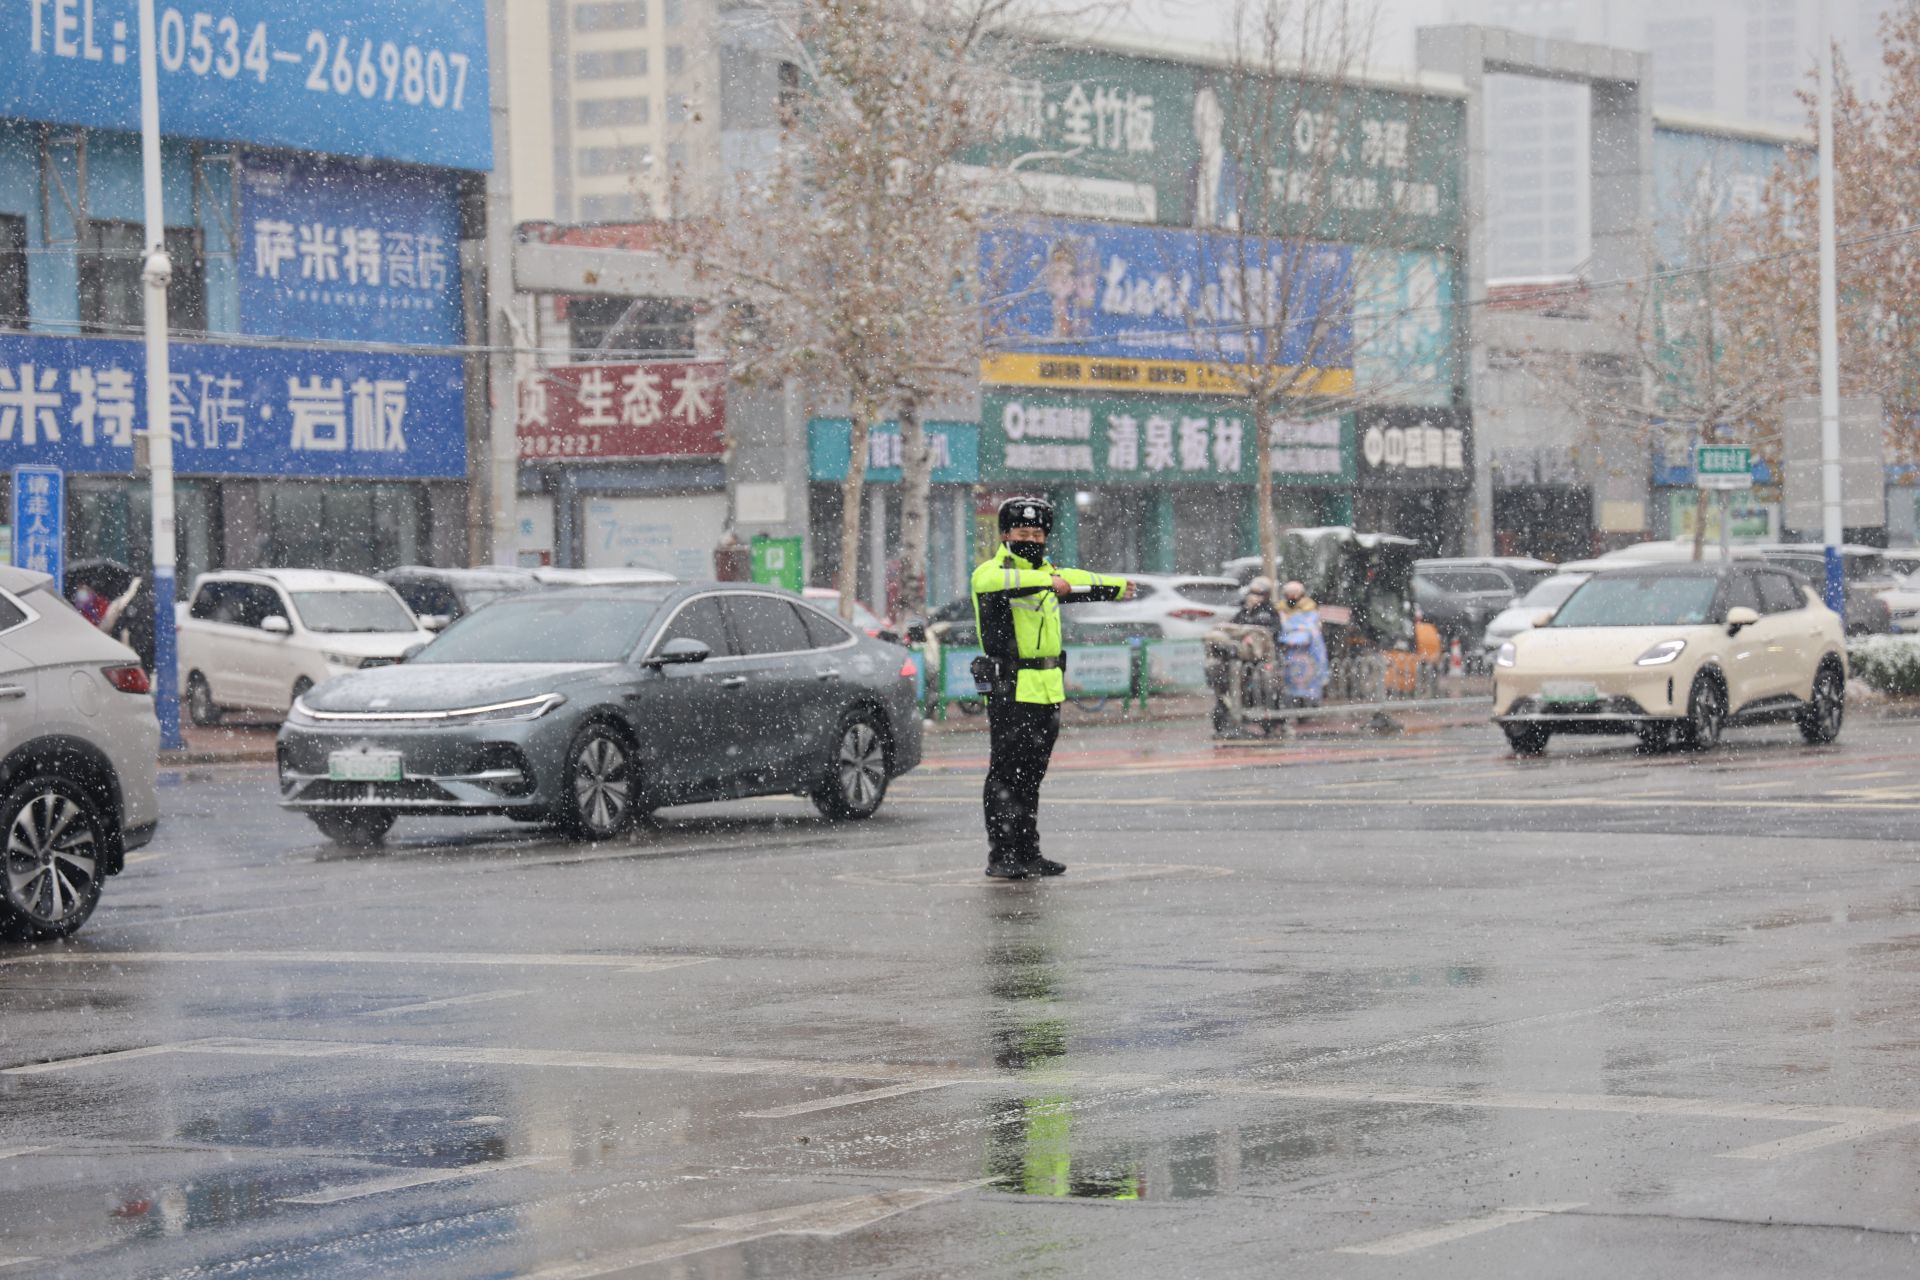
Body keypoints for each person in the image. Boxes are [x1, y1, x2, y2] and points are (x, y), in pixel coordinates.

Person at [970, 496, 1130, 880]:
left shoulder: (1050, 573)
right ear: (1005, 535)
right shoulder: (993, 573)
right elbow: (998, 582)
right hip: (1011, 687)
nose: (1030, 540)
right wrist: (1050, 581)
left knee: (1031, 776)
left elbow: (1086, 580)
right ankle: (1002, 855)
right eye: (1022, 533)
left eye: (1037, 534)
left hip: (1046, 689)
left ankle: (1028, 852)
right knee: (1006, 775)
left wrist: (1121, 587)